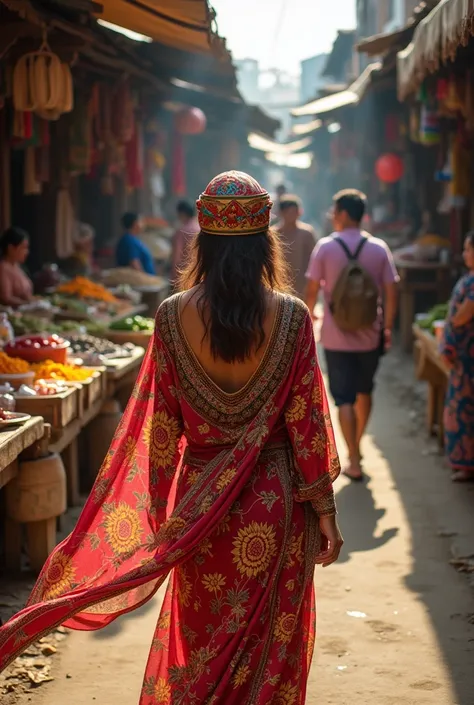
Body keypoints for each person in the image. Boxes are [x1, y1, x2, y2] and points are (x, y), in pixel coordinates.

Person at [0, 171, 342, 704]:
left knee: (200, 646)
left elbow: (161, 432)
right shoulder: (294, 319)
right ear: (263, 243)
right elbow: (308, 425)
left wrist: (162, 512)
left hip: (198, 508)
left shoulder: (169, 317)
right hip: (275, 513)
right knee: (270, 654)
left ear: (202, 242)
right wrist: (325, 511)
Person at [306, 189, 399, 481]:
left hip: (335, 337)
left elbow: (311, 292)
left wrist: (310, 317)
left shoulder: (325, 247)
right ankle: (358, 443)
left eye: (335, 211)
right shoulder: (379, 248)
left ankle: (354, 458)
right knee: (365, 390)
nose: (332, 216)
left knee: (343, 397)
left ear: (344, 214)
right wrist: (386, 328)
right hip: (370, 335)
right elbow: (391, 292)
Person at [440, 232, 474, 482]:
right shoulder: (469, 279)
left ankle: (466, 464)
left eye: (467, 249)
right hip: (464, 356)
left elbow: (463, 315)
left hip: (468, 357)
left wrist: (453, 324)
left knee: (464, 410)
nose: (464, 254)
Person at [276, 195, 317, 299]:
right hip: (279, 287)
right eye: (288, 212)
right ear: (281, 213)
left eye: (294, 212)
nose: (292, 216)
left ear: (299, 212)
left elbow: (313, 260)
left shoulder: (306, 233)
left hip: (302, 287)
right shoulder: (274, 234)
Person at [0, 227, 34, 307]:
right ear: (11, 248)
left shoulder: (18, 266)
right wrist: (29, 305)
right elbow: (6, 298)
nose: (27, 252)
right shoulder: (3, 268)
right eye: (23, 247)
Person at [170, 200, 199, 283]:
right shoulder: (200, 229)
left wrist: (173, 278)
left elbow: (177, 257)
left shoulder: (182, 231)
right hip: (199, 273)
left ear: (181, 214)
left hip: (185, 275)